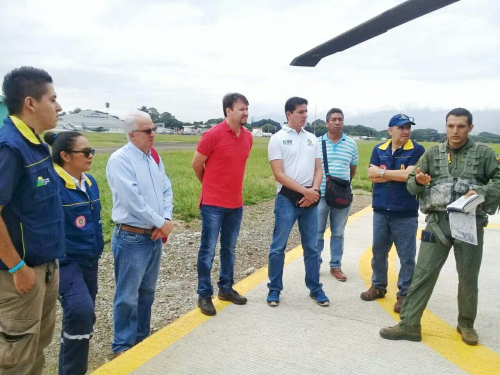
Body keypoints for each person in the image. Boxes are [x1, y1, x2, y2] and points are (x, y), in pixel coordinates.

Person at [380, 108, 500, 345]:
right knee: (422, 275)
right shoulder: (432, 154)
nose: (455, 131)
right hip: (437, 224)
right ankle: (409, 325)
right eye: (451, 126)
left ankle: (466, 324)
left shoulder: (485, 154)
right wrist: (420, 182)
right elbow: (413, 186)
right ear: (446, 127)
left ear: (470, 128)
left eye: (461, 126)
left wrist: (483, 191)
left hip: (469, 223)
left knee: (468, 277)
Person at [0, 67, 64, 374]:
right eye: (53, 99)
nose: (59, 106)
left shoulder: (35, 142)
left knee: (36, 350)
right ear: (30, 103)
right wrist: (16, 266)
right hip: (20, 277)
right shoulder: (9, 147)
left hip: (44, 269)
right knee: (15, 360)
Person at [106, 110, 174, 356]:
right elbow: (132, 201)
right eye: (148, 131)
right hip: (132, 237)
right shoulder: (120, 160)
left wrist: (165, 219)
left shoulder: (152, 156)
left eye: (153, 129)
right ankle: (123, 345)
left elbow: (166, 188)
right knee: (127, 295)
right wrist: (161, 222)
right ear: (132, 135)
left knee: (147, 292)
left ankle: (141, 339)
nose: (153, 134)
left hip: (153, 236)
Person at [44, 131, 103, 375]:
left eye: (91, 151)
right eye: (85, 152)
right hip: (65, 261)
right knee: (80, 310)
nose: (90, 155)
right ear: (65, 156)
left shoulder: (89, 183)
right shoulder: (51, 183)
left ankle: (75, 367)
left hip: (90, 260)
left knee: (84, 319)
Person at [191, 93, 253, 316]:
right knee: (207, 250)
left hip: (235, 203)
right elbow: (196, 164)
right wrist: (208, 186)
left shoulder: (248, 137)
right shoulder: (213, 135)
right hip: (213, 204)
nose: (245, 113)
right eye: (241, 109)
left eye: (247, 108)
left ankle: (226, 288)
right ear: (228, 110)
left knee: (229, 248)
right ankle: (204, 295)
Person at [266, 96, 329, 307]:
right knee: (278, 247)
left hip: (310, 199)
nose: (305, 116)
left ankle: (315, 288)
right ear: (289, 114)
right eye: (300, 112)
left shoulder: (313, 138)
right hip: (287, 198)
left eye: (306, 112)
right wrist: (306, 191)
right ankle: (274, 289)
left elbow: (319, 169)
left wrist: (315, 190)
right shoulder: (277, 138)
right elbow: (279, 174)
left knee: (311, 247)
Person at [360, 114, 425, 313]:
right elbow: (372, 176)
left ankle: (404, 294)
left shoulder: (417, 149)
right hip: (381, 209)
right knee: (379, 252)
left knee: (406, 256)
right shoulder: (378, 149)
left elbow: (410, 175)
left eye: (408, 128)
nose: (405, 131)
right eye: (401, 127)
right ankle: (378, 286)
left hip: (405, 212)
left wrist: (383, 173)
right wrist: (395, 175)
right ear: (390, 130)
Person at [316, 108, 358, 282]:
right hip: (321, 195)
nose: (337, 122)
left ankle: (335, 265)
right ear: (327, 123)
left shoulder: (351, 144)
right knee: (317, 232)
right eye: (333, 119)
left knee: (338, 232)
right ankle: (314, 264)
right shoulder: (317, 142)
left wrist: (339, 186)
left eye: (340, 119)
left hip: (342, 196)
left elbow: (352, 170)